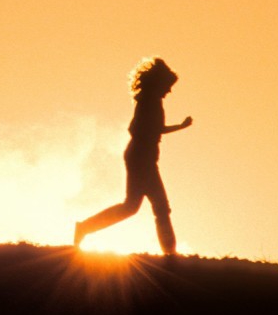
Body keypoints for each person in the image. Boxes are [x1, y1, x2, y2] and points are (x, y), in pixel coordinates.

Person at [74, 57, 192, 255]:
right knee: (160, 207)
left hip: (143, 157)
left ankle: (84, 228)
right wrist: (168, 132)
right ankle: (170, 252)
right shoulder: (149, 101)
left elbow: (150, 128)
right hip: (142, 159)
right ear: (159, 83)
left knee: (132, 207)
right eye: (168, 86)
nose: (169, 90)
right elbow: (135, 129)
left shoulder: (151, 101)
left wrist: (174, 128)